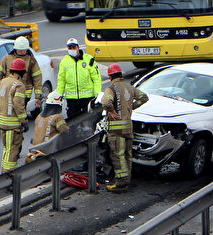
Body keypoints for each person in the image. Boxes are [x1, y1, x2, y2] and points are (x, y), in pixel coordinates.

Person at [98, 64, 148, 192]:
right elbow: (144, 97)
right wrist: (131, 107)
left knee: (118, 155)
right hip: (128, 128)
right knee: (127, 155)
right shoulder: (129, 88)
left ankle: (121, 183)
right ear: (121, 75)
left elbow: (105, 102)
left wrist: (112, 111)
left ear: (110, 77)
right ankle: (127, 180)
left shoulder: (111, 89)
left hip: (116, 130)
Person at [0, 36, 43, 113]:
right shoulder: (7, 58)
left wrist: (38, 96)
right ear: (15, 48)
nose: (22, 52)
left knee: (19, 110)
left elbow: (37, 78)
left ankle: (20, 123)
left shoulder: (31, 60)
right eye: (20, 50)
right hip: (8, 91)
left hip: (24, 93)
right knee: (9, 112)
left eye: (24, 50)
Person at [0, 58, 29, 173]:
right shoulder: (19, 85)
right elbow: (18, 104)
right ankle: (9, 175)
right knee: (13, 149)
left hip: (2, 122)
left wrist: (0, 112)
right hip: (13, 124)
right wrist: (24, 120)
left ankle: (3, 171)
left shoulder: (1, 82)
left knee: (6, 148)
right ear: (22, 73)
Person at [57, 38, 101, 120]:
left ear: (78, 47)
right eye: (70, 48)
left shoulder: (88, 60)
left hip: (87, 97)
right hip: (72, 99)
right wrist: (59, 95)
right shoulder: (64, 62)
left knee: (88, 120)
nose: (72, 50)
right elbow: (61, 80)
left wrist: (97, 94)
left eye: (73, 47)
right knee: (72, 122)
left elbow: (96, 78)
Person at [27, 92, 69, 161]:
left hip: (36, 148)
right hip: (47, 149)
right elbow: (65, 132)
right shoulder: (57, 117)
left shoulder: (39, 116)